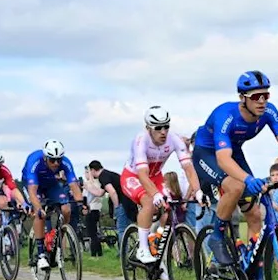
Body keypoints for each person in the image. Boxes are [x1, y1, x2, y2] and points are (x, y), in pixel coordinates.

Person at [191, 72, 278, 266]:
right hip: (208, 152)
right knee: (236, 187)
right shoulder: (226, 115)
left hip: (234, 150)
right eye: (256, 96)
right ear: (242, 98)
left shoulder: (269, 112)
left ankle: (252, 264)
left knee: (255, 213)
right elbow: (223, 160)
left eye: (266, 95)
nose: (262, 101)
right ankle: (217, 236)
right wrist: (248, 179)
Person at [123, 106, 203, 263]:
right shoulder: (141, 141)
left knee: (169, 209)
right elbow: (143, 175)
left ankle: (156, 245)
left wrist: (198, 191)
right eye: (158, 128)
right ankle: (143, 249)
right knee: (148, 201)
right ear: (148, 128)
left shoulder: (174, 139)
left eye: (166, 127)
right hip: (134, 176)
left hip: (156, 177)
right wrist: (155, 194)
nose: (163, 132)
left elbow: (188, 168)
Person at [21, 139, 84, 271]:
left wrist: (81, 203)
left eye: (58, 160)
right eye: (52, 160)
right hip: (33, 185)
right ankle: (41, 255)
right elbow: (32, 192)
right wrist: (38, 208)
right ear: (45, 157)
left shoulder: (66, 162)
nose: (56, 163)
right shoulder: (35, 161)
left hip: (51, 184)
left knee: (66, 208)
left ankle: (61, 234)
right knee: (40, 215)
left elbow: (74, 185)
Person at [86, 159, 130, 245]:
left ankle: (123, 253)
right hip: (128, 201)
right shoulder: (108, 175)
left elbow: (112, 192)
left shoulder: (103, 176)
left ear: (92, 170)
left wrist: (116, 207)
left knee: (121, 229)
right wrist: (88, 188)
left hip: (123, 202)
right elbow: (100, 193)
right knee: (127, 227)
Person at [82, 165, 107, 257]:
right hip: (93, 209)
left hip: (92, 209)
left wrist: (84, 207)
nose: (85, 174)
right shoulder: (90, 184)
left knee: (92, 233)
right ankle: (98, 252)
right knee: (93, 232)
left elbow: (87, 197)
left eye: (87, 172)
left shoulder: (91, 184)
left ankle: (95, 253)